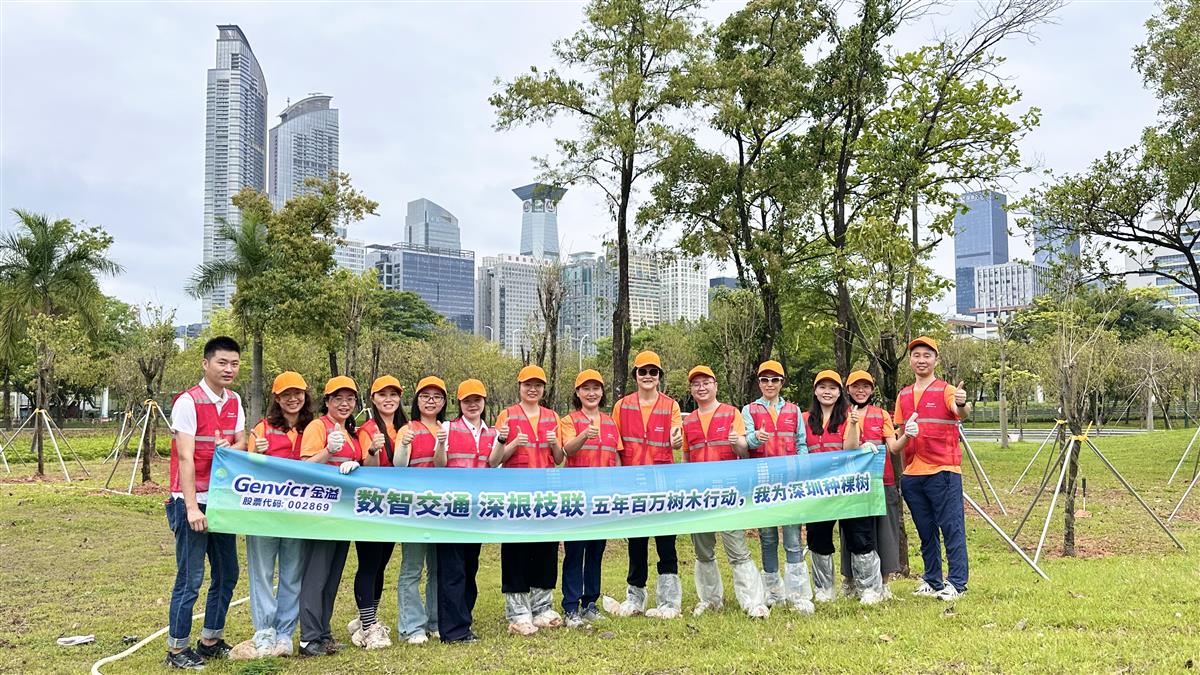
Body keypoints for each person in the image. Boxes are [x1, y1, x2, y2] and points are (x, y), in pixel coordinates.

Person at [164, 336, 246, 670]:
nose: (229, 369)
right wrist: (191, 508)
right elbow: (185, 457)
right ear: (205, 364)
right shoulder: (188, 402)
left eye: (234, 364)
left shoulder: (235, 400)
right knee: (191, 577)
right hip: (192, 500)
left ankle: (210, 640)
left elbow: (241, 443)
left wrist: (229, 447)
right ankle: (177, 649)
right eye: (222, 362)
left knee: (227, 572)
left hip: (221, 500)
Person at [230, 371, 314, 660]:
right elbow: (247, 470)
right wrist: (257, 455)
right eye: (286, 394)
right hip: (264, 515)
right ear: (276, 399)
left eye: (297, 393)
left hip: (298, 516)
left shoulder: (313, 429)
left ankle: (285, 633)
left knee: (292, 574)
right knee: (263, 573)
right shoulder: (262, 429)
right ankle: (264, 632)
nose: (293, 399)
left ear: (305, 395)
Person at [682, 365, 770, 619]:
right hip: (700, 494)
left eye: (706, 383)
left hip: (729, 492)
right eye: (696, 384)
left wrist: (738, 443)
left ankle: (752, 601)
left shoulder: (731, 413)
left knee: (737, 548)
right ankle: (710, 600)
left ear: (715, 386)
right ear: (691, 390)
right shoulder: (689, 421)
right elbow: (686, 457)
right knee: (703, 550)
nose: (701, 388)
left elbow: (743, 450)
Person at [604, 351, 684, 620]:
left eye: (653, 372)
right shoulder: (622, 406)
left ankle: (669, 601)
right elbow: (616, 444)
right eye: (643, 371)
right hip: (633, 485)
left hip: (663, 484)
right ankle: (635, 597)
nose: (648, 376)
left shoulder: (671, 406)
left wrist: (676, 441)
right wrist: (619, 480)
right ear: (635, 375)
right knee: (636, 542)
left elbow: (677, 437)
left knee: (666, 542)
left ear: (659, 376)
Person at [892, 336, 971, 601]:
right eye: (916, 355)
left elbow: (961, 411)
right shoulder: (903, 395)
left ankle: (957, 583)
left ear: (936, 360)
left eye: (927, 355)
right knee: (926, 531)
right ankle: (932, 579)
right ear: (910, 360)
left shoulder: (947, 390)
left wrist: (962, 402)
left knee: (951, 528)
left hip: (943, 470)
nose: (921, 360)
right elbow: (900, 432)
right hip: (913, 473)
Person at [489, 365, 565, 635]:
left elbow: (559, 458)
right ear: (519, 387)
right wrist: (512, 444)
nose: (533, 389)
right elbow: (494, 460)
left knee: (545, 550)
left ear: (544, 389)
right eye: (527, 385)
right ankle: (518, 612)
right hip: (516, 496)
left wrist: (554, 442)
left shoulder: (552, 416)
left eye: (538, 385)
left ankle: (542, 608)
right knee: (516, 551)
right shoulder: (507, 415)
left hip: (545, 494)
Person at [741, 360, 815, 615]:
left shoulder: (794, 411)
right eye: (765, 380)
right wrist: (755, 437)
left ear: (782, 382)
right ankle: (773, 593)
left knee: (793, 538)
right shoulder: (749, 410)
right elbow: (745, 443)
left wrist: (802, 469)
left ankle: (798, 594)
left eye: (775, 379)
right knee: (768, 539)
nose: (769, 384)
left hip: (790, 484)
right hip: (762, 485)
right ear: (759, 382)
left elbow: (802, 444)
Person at [297, 375, 363, 657]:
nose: (345, 404)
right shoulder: (318, 426)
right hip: (321, 511)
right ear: (327, 401)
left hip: (343, 513)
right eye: (338, 398)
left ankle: (323, 633)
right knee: (316, 574)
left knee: (332, 575)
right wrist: (328, 451)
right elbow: (304, 467)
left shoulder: (350, 431)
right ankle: (309, 638)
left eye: (350, 399)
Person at [802, 370, 878, 604]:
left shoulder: (848, 416)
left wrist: (853, 424)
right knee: (818, 537)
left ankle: (868, 589)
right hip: (817, 490)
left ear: (839, 393)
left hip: (847, 488)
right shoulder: (804, 419)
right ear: (815, 391)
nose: (827, 392)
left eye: (832, 388)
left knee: (859, 535)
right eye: (822, 387)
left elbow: (851, 448)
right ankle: (824, 589)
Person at [347, 375, 408, 650]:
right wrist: (373, 449)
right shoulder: (368, 429)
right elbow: (367, 467)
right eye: (382, 395)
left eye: (393, 394)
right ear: (373, 399)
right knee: (369, 563)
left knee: (382, 563)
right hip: (372, 505)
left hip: (395, 506)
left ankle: (367, 618)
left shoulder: (405, 428)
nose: (388, 399)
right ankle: (369, 625)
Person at [434, 378, 496, 644]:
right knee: (452, 570)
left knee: (470, 568)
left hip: (477, 512)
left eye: (477, 400)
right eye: (467, 401)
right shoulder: (448, 428)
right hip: (451, 510)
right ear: (459, 403)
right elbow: (439, 464)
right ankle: (453, 630)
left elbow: (494, 466)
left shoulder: (492, 433)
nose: (472, 405)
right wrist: (440, 443)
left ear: (484, 402)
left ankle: (463, 620)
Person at [559, 369, 621, 627]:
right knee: (575, 552)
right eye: (586, 388)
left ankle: (590, 603)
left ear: (602, 392)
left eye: (596, 388)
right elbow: (566, 451)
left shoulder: (610, 422)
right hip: (577, 498)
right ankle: (571, 606)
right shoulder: (569, 421)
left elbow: (616, 457)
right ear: (578, 392)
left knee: (596, 551)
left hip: (603, 499)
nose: (591, 393)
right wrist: (584, 434)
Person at [391, 376, 447, 644]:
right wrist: (404, 444)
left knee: (438, 568)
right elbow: (399, 465)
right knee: (412, 567)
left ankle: (435, 621)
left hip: (443, 508)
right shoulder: (408, 428)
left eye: (437, 397)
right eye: (425, 396)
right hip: (415, 507)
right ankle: (411, 626)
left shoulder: (446, 429)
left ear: (444, 402)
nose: (431, 401)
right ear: (416, 400)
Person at [839, 369, 895, 604]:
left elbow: (893, 446)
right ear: (848, 389)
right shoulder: (841, 414)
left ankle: (884, 582)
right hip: (851, 485)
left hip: (881, 481)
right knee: (851, 532)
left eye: (865, 386)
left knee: (885, 532)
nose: (860, 390)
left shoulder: (881, 415)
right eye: (855, 386)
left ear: (872, 390)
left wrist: (907, 435)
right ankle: (850, 579)